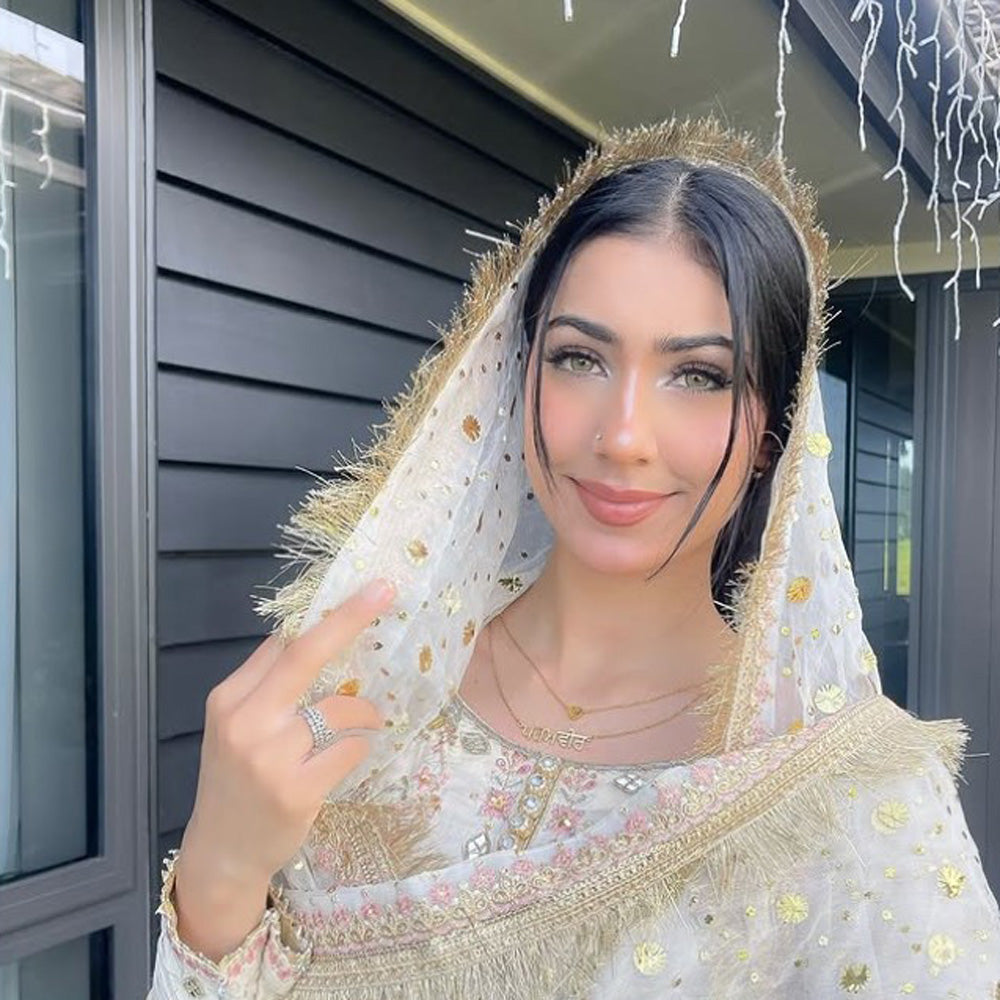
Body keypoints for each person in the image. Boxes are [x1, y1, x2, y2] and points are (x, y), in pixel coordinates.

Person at [147, 117, 1000, 999]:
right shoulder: (372, 690)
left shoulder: (857, 804)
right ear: (516, 382)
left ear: (770, 437)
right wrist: (216, 876)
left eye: (699, 375)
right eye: (579, 357)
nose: (622, 436)